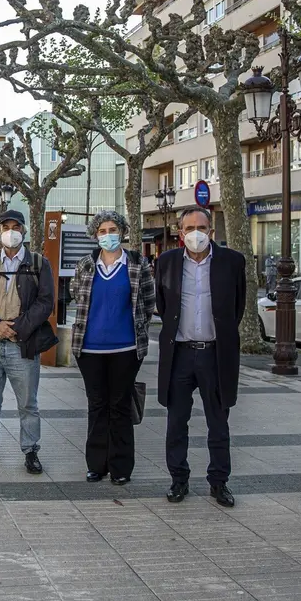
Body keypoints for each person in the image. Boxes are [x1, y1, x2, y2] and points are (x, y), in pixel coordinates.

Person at [155, 206, 246, 507]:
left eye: (202, 227)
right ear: (179, 233)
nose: (197, 233)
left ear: (212, 231)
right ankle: (178, 479)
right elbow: (162, 305)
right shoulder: (166, 262)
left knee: (218, 423)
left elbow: (237, 307)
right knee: (176, 422)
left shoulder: (232, 262)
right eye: (190, 228)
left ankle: (219, 482)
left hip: (215, 355)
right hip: (179, 354)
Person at [0, 209, 56, 474]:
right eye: (6, 226)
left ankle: (30, 451)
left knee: (27, 402)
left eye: (16, 226)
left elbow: (45, 302)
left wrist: (18, 328)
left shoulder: (39, 264)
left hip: (22, 345)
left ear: (24, 231)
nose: (11, 231)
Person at [70, 210, 155, 485]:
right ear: (95, 235)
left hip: (126, 350)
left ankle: (121, 468)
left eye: (113, 230)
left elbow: (148, 301)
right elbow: (76, 296)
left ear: (122, 232)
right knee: (97, 405)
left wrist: (138, 330)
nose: (108, 235)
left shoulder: (137, 264)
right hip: (90, 349)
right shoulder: (84, 265)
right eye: (103, 231)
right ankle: (96, 464)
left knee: (119, 407)